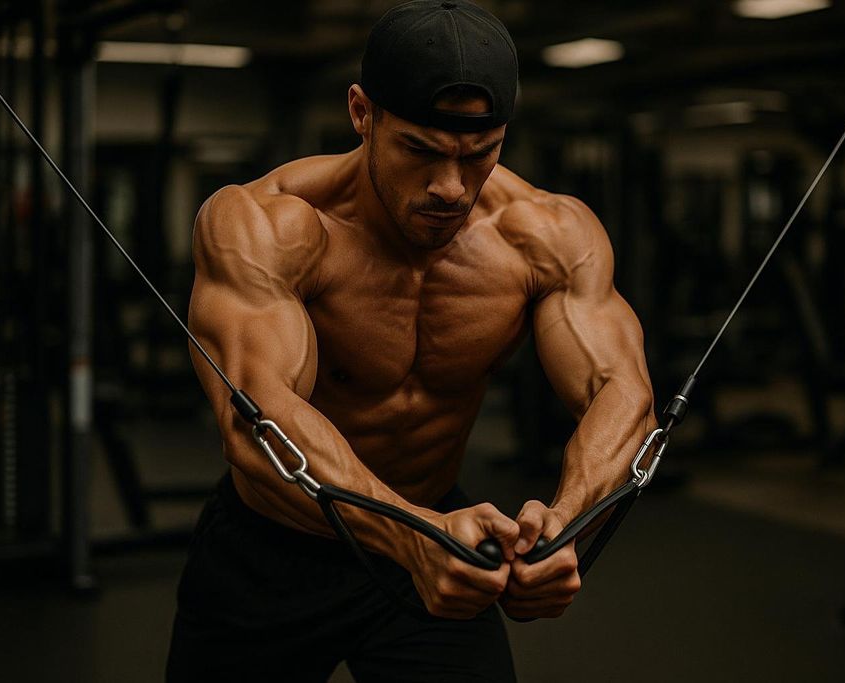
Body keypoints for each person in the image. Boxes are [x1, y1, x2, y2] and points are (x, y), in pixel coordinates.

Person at [166, 1, 656, 680]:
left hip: (438, 533)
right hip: (273, 553)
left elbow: (622, 391)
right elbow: (255, 418)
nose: (450, 187)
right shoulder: (271, 226)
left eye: (478, 155)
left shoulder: (542, 236)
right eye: (420, 151)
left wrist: (568, 524)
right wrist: (409, 536)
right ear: (362, 113)